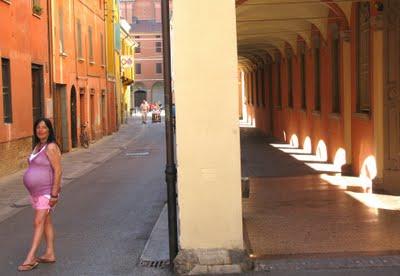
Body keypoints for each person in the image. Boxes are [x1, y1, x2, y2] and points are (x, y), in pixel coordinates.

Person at [18, 118, 62, 271]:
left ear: (49, 130)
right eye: (38, 127)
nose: (41, 130)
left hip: (46, 192)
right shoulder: (38, 146)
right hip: (36, 192)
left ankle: (30, 258)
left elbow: (58, 170)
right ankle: (50, 253)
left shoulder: (51, 147)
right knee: (46, 222)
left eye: (44, 127)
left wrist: (54, 194)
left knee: (38, 222)